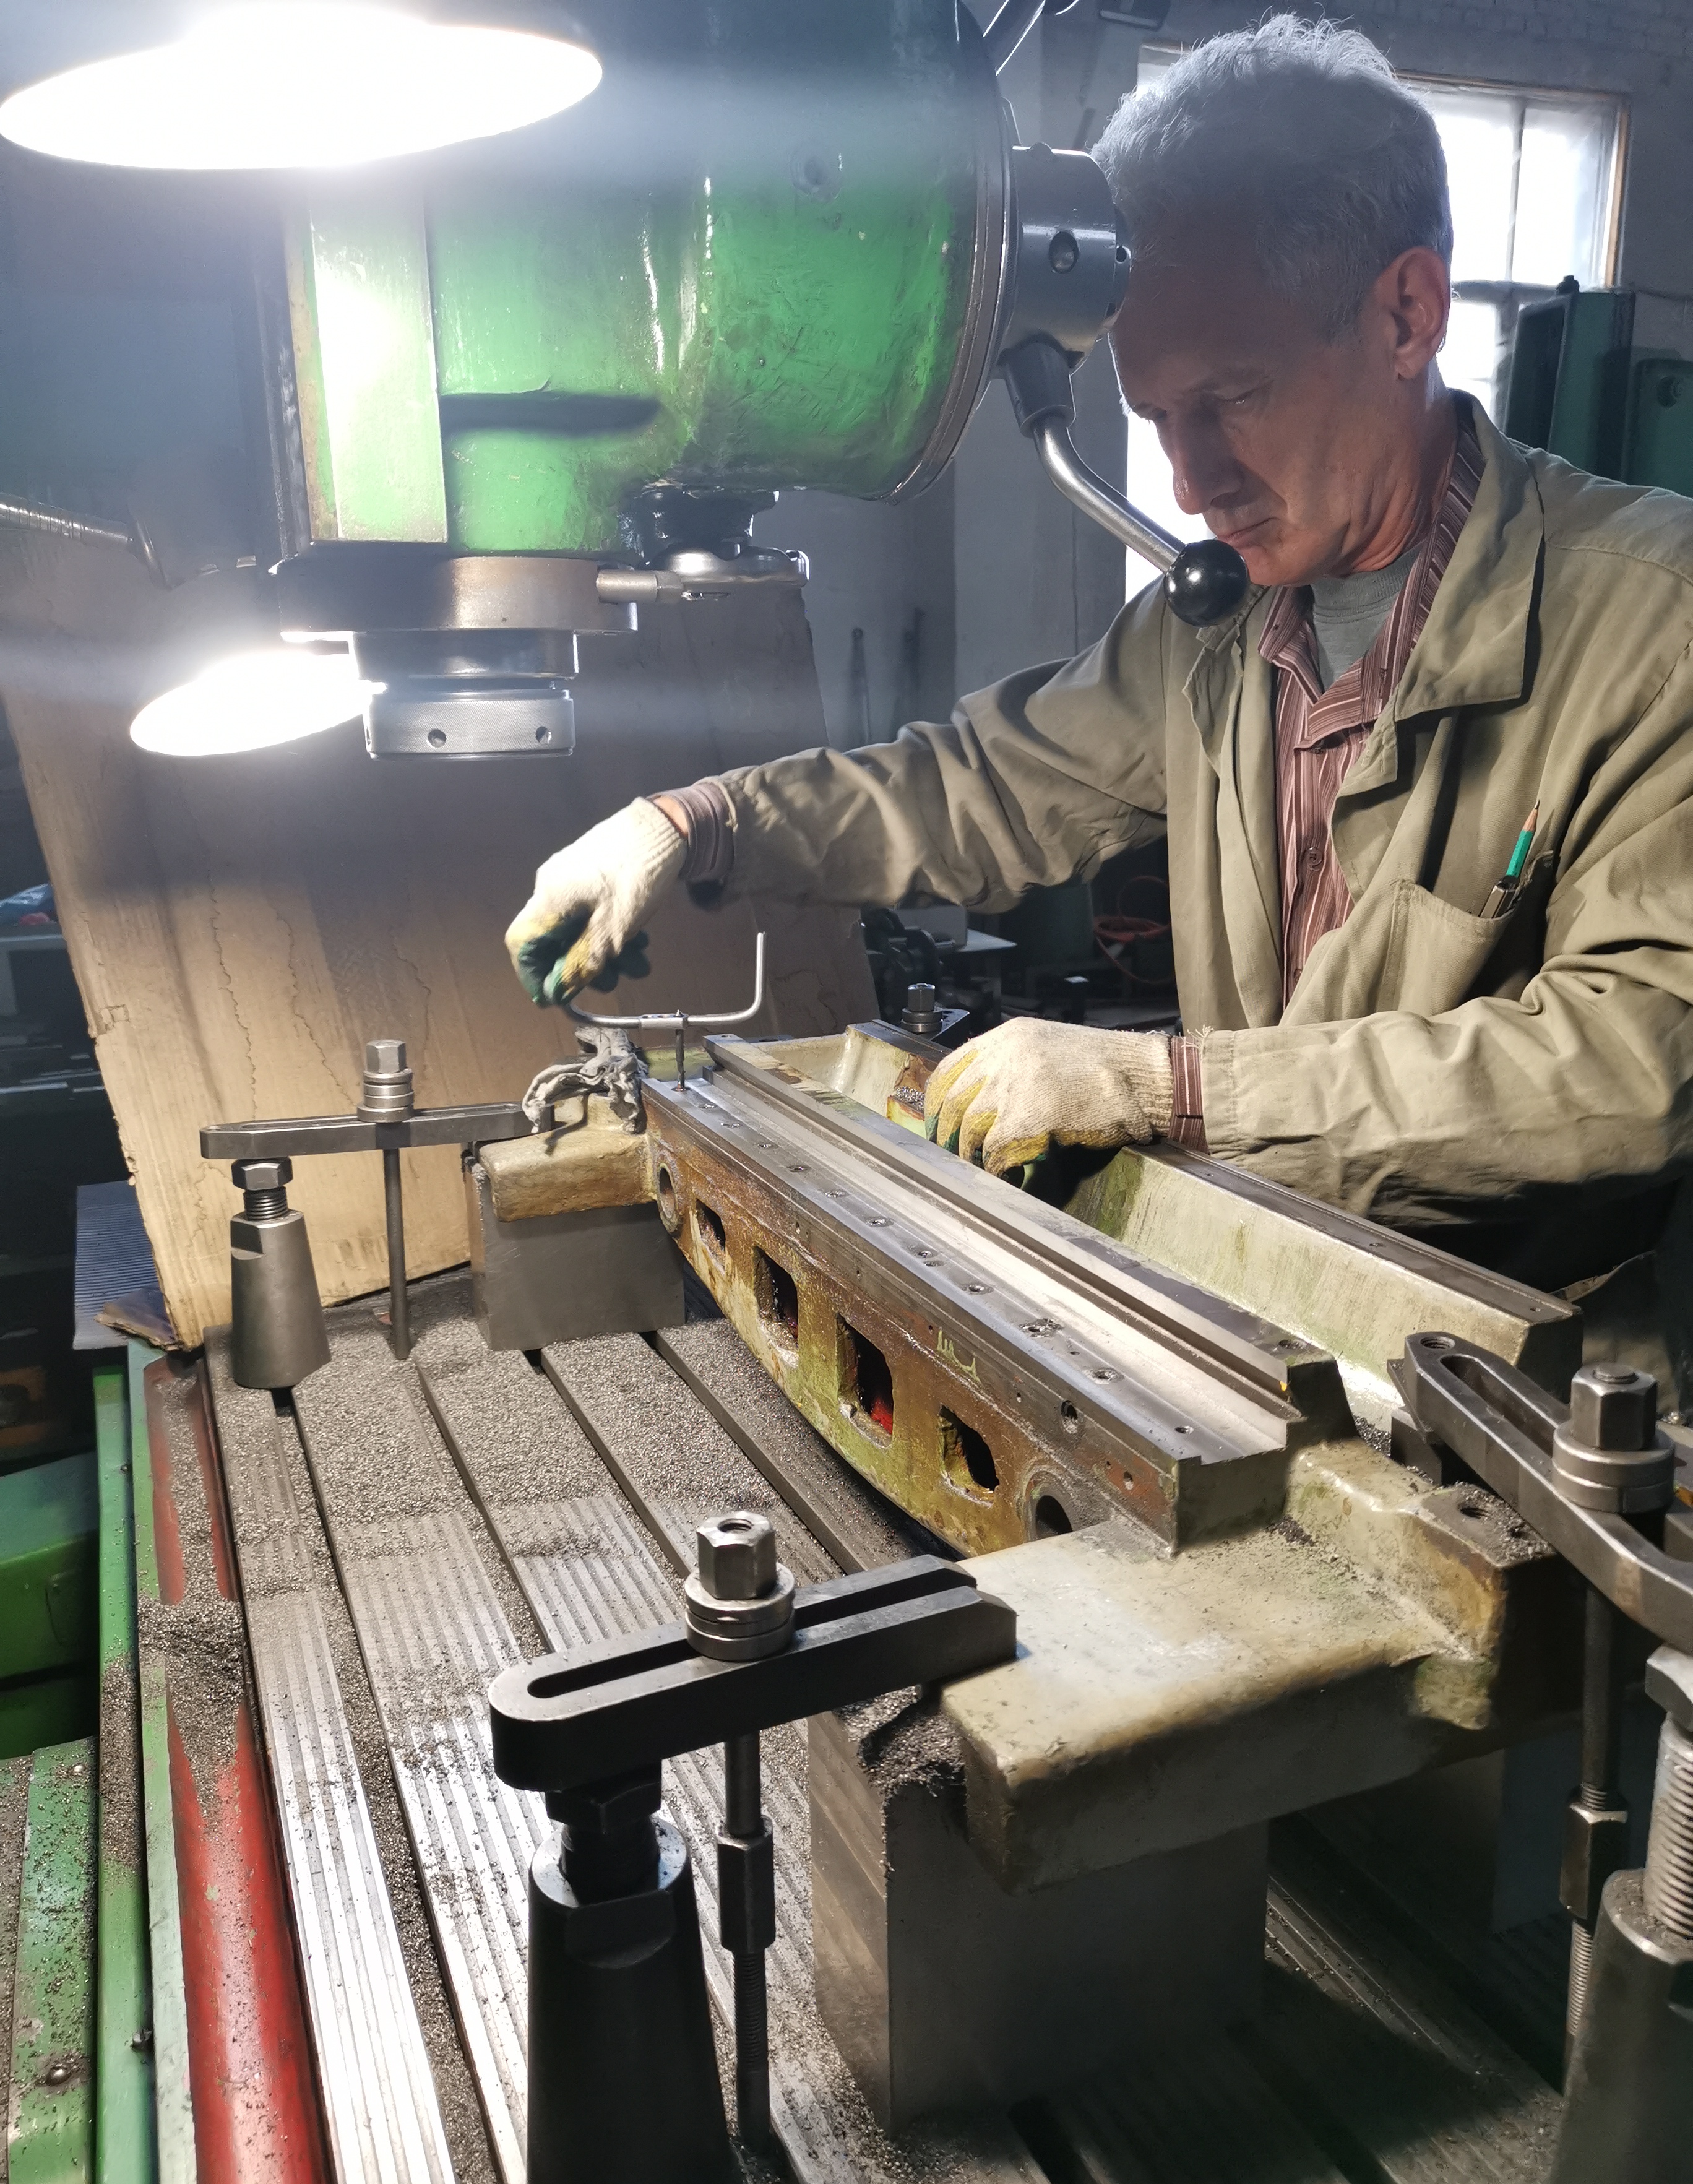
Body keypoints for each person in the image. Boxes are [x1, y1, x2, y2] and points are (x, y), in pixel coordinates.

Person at [505, 15, 1693, 1386]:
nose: (1189, 481)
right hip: (1272, 1320)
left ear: (1407, 313)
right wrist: (699, 821)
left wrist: (1163, 1088)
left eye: (1233, 398)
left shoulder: (1652, 621)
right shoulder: (1221, 621)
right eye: (1158, 417)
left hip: (1552, 1395)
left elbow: (1632, 1061)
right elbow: (980, 788)